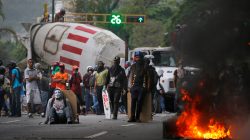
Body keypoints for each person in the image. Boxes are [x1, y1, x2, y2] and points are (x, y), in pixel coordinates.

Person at [127, 51, 148, 122]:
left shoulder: (145, 66)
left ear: (141, 57)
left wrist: (147, 87)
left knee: (139, 102)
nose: (136, 58)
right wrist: (129, 87)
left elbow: (148, 77)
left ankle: (137, 117)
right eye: (135, 57)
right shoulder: (133, 66)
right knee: (133, 102)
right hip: (134, 86)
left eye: (137, 57)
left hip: (141, 86)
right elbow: (130, 76)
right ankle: (132, 117)